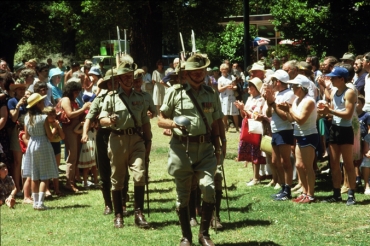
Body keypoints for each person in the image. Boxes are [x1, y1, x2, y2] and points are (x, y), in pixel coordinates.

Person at [158, 54, 222, 246]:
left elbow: (217, 123)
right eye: (194, 72)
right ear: (185, 74)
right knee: (183, 195)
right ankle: (186, 236)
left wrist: (220, 147)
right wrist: (173, 123)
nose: (198, 74)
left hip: (205, 148)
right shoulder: (175, 93)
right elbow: (160, 119)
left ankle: (204, 234)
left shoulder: (211, 93)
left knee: (208, 187)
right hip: (181, 149)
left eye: (201, 71)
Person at [99, 56, 152, 229]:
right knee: (118, 179)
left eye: (131, 77)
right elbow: (101, 119)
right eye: (125, 77)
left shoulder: (140, 97)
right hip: (117, 139)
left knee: (139, 175)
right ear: (119, 79)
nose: (129, 80)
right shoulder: (111, 97)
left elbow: (145, 120)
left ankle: (139, 213)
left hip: (137, 140)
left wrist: (148, 140)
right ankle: (118, 215)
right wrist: (109, 120)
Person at [82, 69, 119, 215]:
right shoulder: (99, 98)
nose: (114, 84)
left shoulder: (124, 96)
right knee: (104, 170)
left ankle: (121, 201)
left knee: (121, 170)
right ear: (107, 84)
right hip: (103, 135)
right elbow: (89, 118)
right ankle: (108, 204)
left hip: (120, 135)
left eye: (116, 82)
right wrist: (85, 133)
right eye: (111, 82)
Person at [318, 67, 357, 205]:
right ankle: (336, 193)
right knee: (334, 163)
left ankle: (351, 194)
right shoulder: (335, 92)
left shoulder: (350, 92)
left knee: (348, 163)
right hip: (335, 129)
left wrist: (331, 112)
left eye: (333, 78)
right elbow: (335, 111)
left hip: (345, 130)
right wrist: (325, 112)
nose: (331, 79)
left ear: (342, 79)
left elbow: (347, 115)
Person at [278, 75, 319, 203]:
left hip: (308, 135)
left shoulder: (309, 101)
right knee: (299, 165)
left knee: (308, 166)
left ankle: (310, 195)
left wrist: (289, 109)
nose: (291, 88)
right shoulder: (296, 100)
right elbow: (292, 120)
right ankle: (304, 192)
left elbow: (301, 120)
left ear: (301, 88)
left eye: (294, 86)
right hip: (299, 135)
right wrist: (287, 111)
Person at [263, 69, 296, 201]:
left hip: (285, 130)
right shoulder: (276, 94)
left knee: (285, 161)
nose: (271, 83)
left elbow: (284, 117)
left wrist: (272, 103)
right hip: (276, 130)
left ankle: (287, 189)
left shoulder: (289, 94)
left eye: (273, 80)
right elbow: (269, 114)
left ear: (278, 82)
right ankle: (283, 187)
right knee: (275, 161)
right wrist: (268, 101)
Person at [23, 93, 59, 210]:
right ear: (37, 104)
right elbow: (49, 136)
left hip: (32, 144)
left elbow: (26, 135)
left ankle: (35, 203)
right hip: (42, 143)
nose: (43, 103)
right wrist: (54, 128)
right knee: (44, 176)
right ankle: (40, 203)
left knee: (34, 175)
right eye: (41, 101)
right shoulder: (43, 118)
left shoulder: (27, 117)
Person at [234, 77, 266, 186]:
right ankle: (255, 176)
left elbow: (256, 115)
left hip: (255, 127)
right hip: (247, 127)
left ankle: (257, 177)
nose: (248, 88)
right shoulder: (250, 98)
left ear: (256, 88)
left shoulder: (261, 99)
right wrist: (241, 109)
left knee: (255, 151)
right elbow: (244, 114)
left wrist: (244, 109)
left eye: (251, 86)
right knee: (250, 151)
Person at [61, 80, 91, 192]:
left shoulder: (74, 100)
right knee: (72, 157)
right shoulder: (65, 99)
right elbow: (69, 114)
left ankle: (73, 181)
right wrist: (83, 109)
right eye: (76, 91)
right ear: (70, 91)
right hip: (69, 130)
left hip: (76, 129)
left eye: (79, 91)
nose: (77, 93)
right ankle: (69, 183)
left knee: (76, 156)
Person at [7, 80, 28, 197]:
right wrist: (18, 105)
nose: (22, 91)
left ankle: (25, 187)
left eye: (23, 89)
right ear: (15, 91)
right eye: (20, 89)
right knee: (17, 162)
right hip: (17, 132)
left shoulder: (27, 101)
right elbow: (14, 118)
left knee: (26, 161)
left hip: (27, 131)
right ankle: (17, 188)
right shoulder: (11, 101)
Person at [43, 106, 64, 196]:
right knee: (47, 168)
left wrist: (58, 127)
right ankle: (47, 189)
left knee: (56, 168)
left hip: (56, 145)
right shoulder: (45, 125)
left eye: (53, 114)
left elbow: (63, 137)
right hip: (48, 145)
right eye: (50, 114)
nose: (52, 116)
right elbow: (50, 137)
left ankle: (57, 189)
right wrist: (55, 127)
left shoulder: (56, 123)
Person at [74, 120, 98, 188]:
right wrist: (80, 124)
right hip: (87, 149)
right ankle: (85, 183)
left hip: (94, 148)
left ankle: (96, 182)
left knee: (94, 167)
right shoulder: (84, 130)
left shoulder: (95, 130)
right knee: (86, 168)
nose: (92, 124)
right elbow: (75, 130)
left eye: (93, 122)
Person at [218, 63, 239, 132]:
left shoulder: (232, 77)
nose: (224, 70)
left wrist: (233, 87)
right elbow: (219, 89)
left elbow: (236, 87)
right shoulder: (220, 79)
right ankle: (226, 127)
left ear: (228, 70)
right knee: (224, 113)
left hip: (231, 96)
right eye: (223, 69)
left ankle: (237, 127)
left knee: (235, 113)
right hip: (224, 97)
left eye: (226, 69)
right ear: (221, 70)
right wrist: (226, 86)